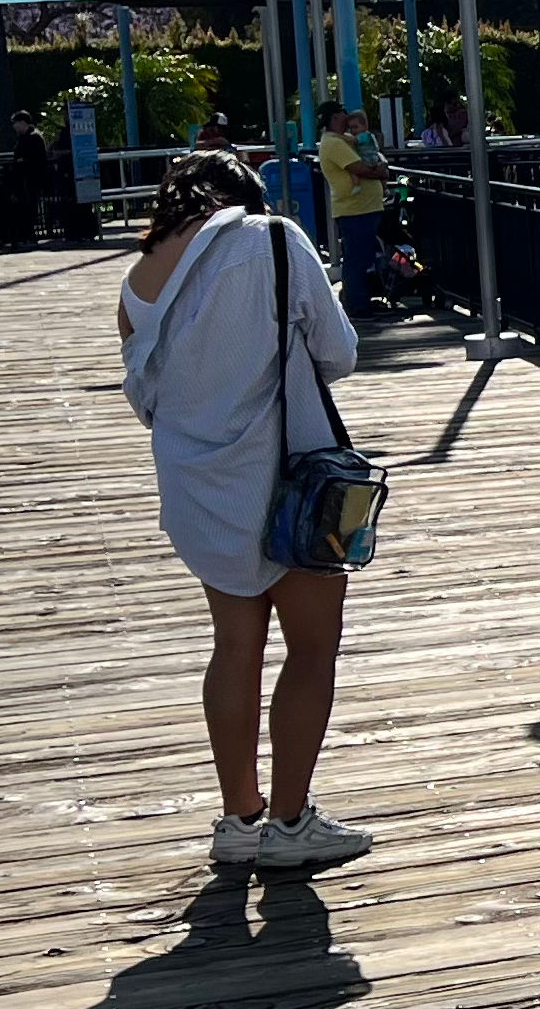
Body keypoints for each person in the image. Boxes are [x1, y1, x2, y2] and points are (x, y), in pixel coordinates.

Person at [116, 151, 369, 868]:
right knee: (312, 648)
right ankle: (291, 824)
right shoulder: (275, 239)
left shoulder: (136, 285)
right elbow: (340, 353)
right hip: (292, 479)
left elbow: (145, 399)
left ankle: (238, 819)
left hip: (200, 485)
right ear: (246, 198)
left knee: (235, 646)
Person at [315, 101, 388, 319]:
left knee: (364, 256)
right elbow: (359, 168)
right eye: (342, 114)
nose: (347, 118)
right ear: (334, 117)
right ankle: (357, 306)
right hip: (354, 210)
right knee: (357, 259)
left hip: (363, 208)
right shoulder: (333, 143)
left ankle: (362, 299)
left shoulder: (344, 140)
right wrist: (381, 173)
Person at [9, 110, 50, 243]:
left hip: (31, 179)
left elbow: (36, 159)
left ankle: (28, 235)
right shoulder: (27, 137)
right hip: (27, 179)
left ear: (22, 122)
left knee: (29, 207)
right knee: (27, 207)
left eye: (15, 123)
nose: (14, 127)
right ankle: (26, 235)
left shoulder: (33, 137)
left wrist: (21, 161)